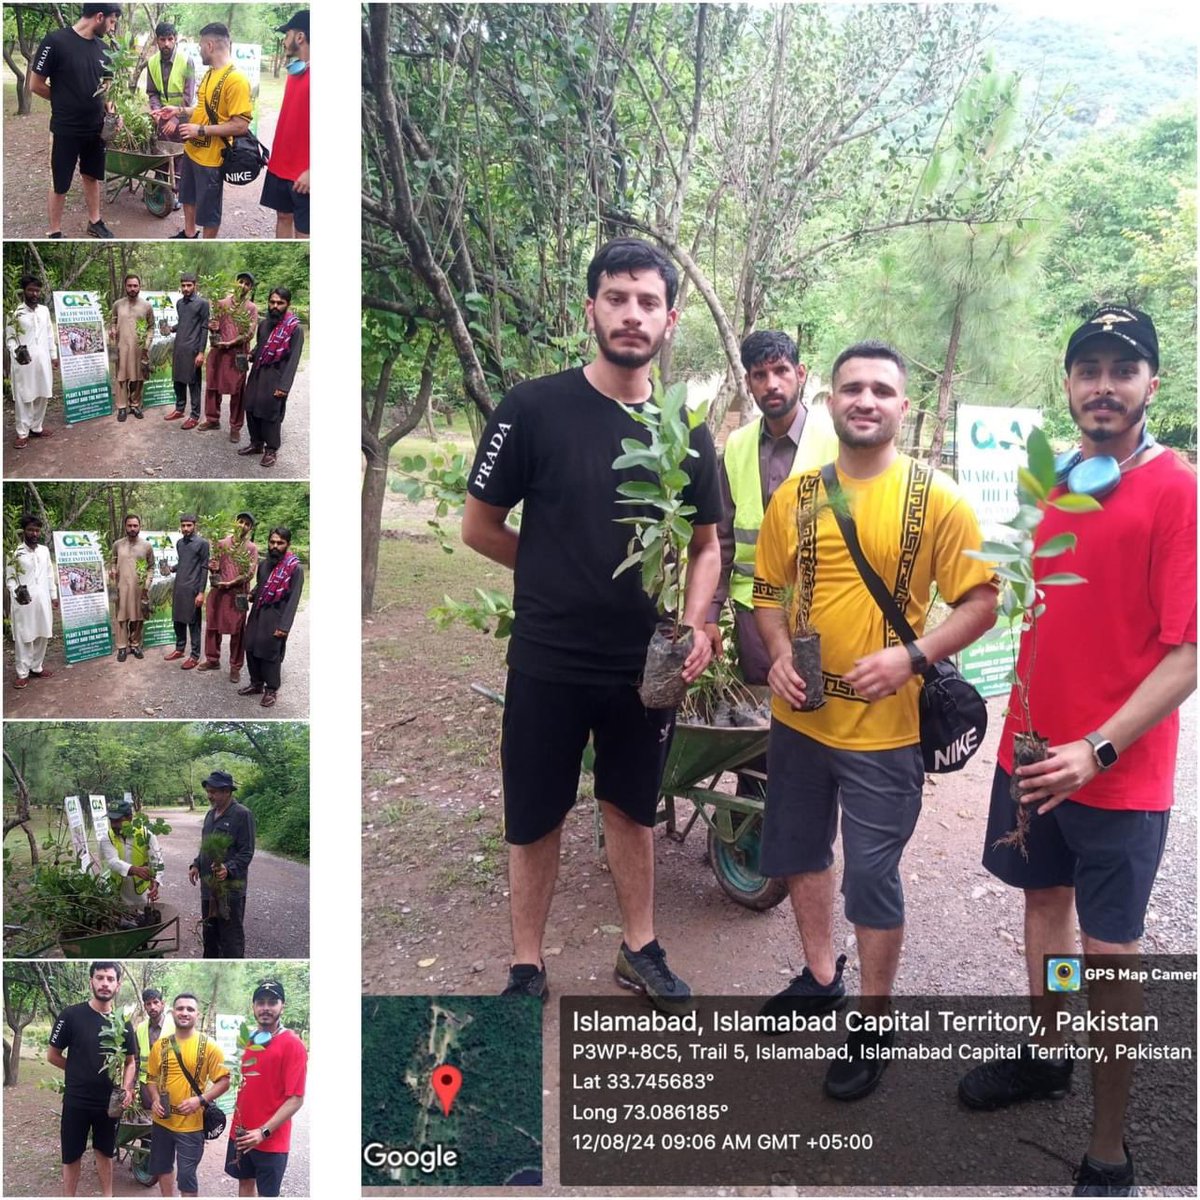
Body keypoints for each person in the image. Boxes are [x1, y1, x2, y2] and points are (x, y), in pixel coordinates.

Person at [958, 307, 1197, 1195]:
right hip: (1034, 753)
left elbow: (1188, 653)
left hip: (1117, 771)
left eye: (1122, 368)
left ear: (1151, 385)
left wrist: (1096, 749)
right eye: (1087, 367)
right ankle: (1047, 1054)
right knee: (1043, 906)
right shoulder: (1055, 477)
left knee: (1112, 954)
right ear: (1067, 384)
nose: (1104, 384)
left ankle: (1108, 1147)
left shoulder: (1177, 489)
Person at [462, 237, 721, 1011]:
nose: (632, 315)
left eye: (647, 303)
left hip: (645, 664)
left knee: (632, 806)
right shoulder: (533, 408)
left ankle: (639, 948)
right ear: (591, 309)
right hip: (546, 656)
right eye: (617, 298)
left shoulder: (686, 430)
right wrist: (550, 572)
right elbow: (479, 527)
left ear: (669, 320)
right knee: (535, 810)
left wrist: (700, 622)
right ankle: (525, 965)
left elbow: (708, 545)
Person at [752, 340, 997, 1100]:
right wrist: (777, 651)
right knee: (798, 854)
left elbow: (983, 600)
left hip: (887, 737)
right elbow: (766, 591)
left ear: (903, 406)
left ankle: (874, 1020)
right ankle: (822, 977)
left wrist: (913, 657)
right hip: (799, 722)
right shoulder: (795, 496)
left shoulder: (940, 500)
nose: (865, 400)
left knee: (873, 880)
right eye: (851, 387)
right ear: (830, 401)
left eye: (881, 390)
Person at [704, 330, 840, 800]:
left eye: (781, 371)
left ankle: (810, 815)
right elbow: (720, 538)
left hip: (824, 614)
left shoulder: (836, 442)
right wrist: (708, 613)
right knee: (762, 720)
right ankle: (755, 823)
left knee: (821, 721)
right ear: (749, 381)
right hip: (752, 616)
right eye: (760, 375)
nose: (772, 384)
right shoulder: (737, 447)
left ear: (800, 374)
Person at [30, 4, 121, 239]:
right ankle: (55, 231)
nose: (113, 26)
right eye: (112, 21)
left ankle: (95, 221)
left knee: (91, 175)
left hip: (96, 127)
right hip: (65, 128)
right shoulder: (55, 42)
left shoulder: (104, 49)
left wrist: (111, 111)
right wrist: (62, 99)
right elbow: (35, 84)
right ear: (99, 17)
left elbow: (106, 90)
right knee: (60, 181)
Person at [49, 961, 137, 1198]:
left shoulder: (123, 1024)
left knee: (105, 1152)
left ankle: (107, 1195)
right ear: (91, 981)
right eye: (100, 977)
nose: (105, 983)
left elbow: (130, 1062)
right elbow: (53, 1055)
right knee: (71, 1155)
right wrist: (77, 1069)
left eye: (110, 979)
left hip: (109, 1103)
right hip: (76, 1101)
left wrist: (127, 1088)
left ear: (118, 985)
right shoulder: (71, 1016)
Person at [160, 23, 252, 240]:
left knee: (210, 212)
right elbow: (202, 109)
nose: (199, 50)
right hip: (192, 152)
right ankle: (189, 233)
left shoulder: (236, 79)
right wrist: (178, 110)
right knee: (188, 197)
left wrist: (200, 130)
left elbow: (241, 125)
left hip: (212, 161)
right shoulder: (211, 74)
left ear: (210, 45)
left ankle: (206, 243)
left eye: (201, 45)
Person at [224, 980, 307, 1198]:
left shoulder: (293, 1044)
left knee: (267, 1194)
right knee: (244, 1185)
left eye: (272, 1002)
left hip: (271, 1140)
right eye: (260, 1002)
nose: (266, 1008)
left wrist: (263, 1132)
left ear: (283, 1006)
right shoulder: (247, 1040)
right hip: (241, 1134)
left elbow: (296, 1099)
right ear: (253, 1006)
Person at [144, 993, 230, 1198]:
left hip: (191, 1125)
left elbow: (224, 1081)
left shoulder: (209, 1046)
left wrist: (200, 1100)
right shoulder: (161, 1045)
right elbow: (151, 1078)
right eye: (180, 1008)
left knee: (187, 1176)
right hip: (162, 1121)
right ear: (173, 1012)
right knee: (163, 1167)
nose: (184, 1012)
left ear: (197, 1014)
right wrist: (155, 1099)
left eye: (190, 1009)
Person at [189, 770, 256, 957]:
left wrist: (229, 868)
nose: (210, 796)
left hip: (230, 892)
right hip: (208, 889)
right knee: (210, 936)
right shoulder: (210, 815)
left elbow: (247, 852)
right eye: (208, 791)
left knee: (230, 939)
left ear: (227, 791)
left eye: (214, 792)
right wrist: (195, 864)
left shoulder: (242, 815)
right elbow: (205, 847)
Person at [241, 527, 304, 708]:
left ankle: (271, 689)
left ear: (287, 544)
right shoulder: (265, 563)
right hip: (258, 612)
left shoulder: (295, 569)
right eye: (272, 542)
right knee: (251, 647)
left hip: (276, 616)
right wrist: (252, 594)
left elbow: (293, 600)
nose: (275, 546)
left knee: (270, 653)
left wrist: (284, 627)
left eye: (280, 543)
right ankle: (256, 684)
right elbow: (261, 584)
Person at [240, 288, 304, 467]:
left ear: (287, 304)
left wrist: (284, 387)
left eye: (280, 303)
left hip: (276, 376)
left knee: (270, 413)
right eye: (272, 302)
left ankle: (271, 449)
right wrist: (252, 355)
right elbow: (261, 345)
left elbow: (293, 360)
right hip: (258, 372)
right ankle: (256, 443)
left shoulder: (295, 329)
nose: (275, 306)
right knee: (251, 408)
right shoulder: (265, 324)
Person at [260, 12, 310, 239]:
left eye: (287, 34)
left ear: (300, 37)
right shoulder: (294, 72)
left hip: (304, 173)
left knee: (304, 230)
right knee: (282, 217)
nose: (283, 40)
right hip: (280, 166)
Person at [199, 511, 259, 681]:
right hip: (218, 593)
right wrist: (213, 566)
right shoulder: (221, 543)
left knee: (238, 631)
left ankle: (235, 666)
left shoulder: (251, 548)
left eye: (247, 524)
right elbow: (214, 566)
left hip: (237, 595)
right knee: (212, 627)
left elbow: (249, 573)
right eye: (241, 521)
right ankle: (212, 659)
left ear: (250, 528)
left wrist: (232, 583)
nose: (243, 526)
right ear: (235, 523)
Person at [142, 21, 196, 209]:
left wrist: (175, 118)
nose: (166, 44)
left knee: (179, 156)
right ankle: (161, 189)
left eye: (170, 39)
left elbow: (189, 96)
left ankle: (178, 194)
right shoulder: (151, 62)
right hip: (162, 117)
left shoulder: (187, 61)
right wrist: (157, 111)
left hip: (181, 117)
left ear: (175, 40)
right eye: (162, 39)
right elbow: (152, 92)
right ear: (157, 40)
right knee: (161, 154)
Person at [200, 273, 258, 438]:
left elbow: (249, 333)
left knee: (238, 391)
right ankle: (212, 419)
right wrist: (212, 326)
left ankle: (235, 426)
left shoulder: (251, 308)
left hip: (238, 355)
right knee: (212, 386)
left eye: (247, 284)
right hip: (218, 352)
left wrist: (231, 343)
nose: (243, 286)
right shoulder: (221, 303)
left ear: (250, 288)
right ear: (235, 283)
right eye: (241, 282)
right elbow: (214, 326)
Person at [6, 513, 58, 689]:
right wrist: (15, 592)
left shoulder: (43, 551)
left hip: (42, 599)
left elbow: (50, 575)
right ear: (23, 532)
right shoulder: (15, 553)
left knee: (43, 634)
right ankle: (22, 672)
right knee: (24, 636)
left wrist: (53, 596)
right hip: (23, 602)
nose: (34, 533)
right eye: (30, 530)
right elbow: (10, 579)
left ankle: (37, 667)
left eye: (37, 530)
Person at [6, 273, 58, 448]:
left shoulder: (43, 311)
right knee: (24, 396)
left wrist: (53, 355)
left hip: (42, 360)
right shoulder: (15, 313)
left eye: (37, 290)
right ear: (24, 291)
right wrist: (16, 352)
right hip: (23, 363)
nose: (35, 294)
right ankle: (22, 432)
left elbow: (50, 335)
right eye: (31, 290)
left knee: (42, 393)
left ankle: (37, 427)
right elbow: (10, 339)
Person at [96, 797, 163, 910]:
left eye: (118, 820)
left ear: (130, 818)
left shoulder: (147, 835)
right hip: (118, 894)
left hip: (142, 894)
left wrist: (156, 882)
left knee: (144, 919)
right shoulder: (107, 838)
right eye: (111, 820)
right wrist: (135, 870)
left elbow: (157, 860)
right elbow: (112, 862)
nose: (114, 825)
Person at [163, 513, 209, 668]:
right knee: (178, 620)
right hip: (179, 587)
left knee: (193, 623)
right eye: (183, 525)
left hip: (193, 589)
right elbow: (183, 562)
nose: (186, 528)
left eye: (189, 525)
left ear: (195, 525)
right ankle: (180, 649)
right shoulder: (179, 544)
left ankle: (195, 656)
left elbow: (204, 568)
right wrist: (172, 568)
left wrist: (201, 592)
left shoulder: (202, 543)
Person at [164, 273, 210, 428]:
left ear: (195, 285)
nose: (186, 288)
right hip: (179, 347)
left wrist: (201, 352)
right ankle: (179, 408)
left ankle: (195, 415)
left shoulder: (202, 303)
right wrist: (172, 328)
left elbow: (204, 328)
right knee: (178, 380)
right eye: (183, 285)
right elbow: (184, 322)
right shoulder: (179, 304)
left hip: (193, 349)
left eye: (189, 285)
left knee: (194, 383)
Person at [110, 512, 155, 662]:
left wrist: (147, 584)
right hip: (122, 587)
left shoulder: (146, 546)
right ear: (125, 526)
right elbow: (112, 562)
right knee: (121, 618)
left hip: (139, 589)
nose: (132, 528)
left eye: (135, 525)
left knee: (138, 617)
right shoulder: (117, 544)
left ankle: (135, 644)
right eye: (129, 525)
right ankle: (122, 647)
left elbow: (151, 567)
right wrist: (112, 571)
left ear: (140, 527)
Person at [108, 274, 153, 422]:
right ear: (125, 287)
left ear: (139, 287)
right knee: (121, 377)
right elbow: (113, 322)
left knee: (138, 378)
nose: (132, 288)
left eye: (135, 286)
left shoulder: (146, 306)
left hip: (140, 348)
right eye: (130, 286)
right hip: (121, 347)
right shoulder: (117, 304)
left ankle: (135, 405)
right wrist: (112, 329)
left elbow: (151, 327)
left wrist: (146, 344)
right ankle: (122, 407)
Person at [136, 989, 174, 1111]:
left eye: (155, 1002)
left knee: (168, 1117)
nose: (152, 1007)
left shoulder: (174, 1027)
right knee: (149, 1117)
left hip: (169, 1082)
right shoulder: (140, 1028)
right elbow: (135, 1059)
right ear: (144, 1006)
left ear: (162, 1004)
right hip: (146, 1083)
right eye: (148, 1004)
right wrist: (131, 1086)